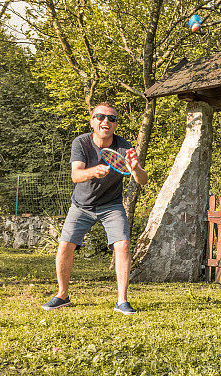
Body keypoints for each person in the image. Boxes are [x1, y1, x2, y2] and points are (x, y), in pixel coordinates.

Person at [42, 103, 148, 315]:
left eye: (111, 118)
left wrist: (135, 168)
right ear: (92, 121)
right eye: (100, 117)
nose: (105, 121)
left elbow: (142, 180)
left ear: (115, 125)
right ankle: (62, 295)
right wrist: (93, 172)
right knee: (65, 246)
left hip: (112, 205)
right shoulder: (81, 143)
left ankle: (122, 301)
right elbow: (76, 175)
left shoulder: (124, 148)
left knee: (123, 244)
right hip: (82, 205)